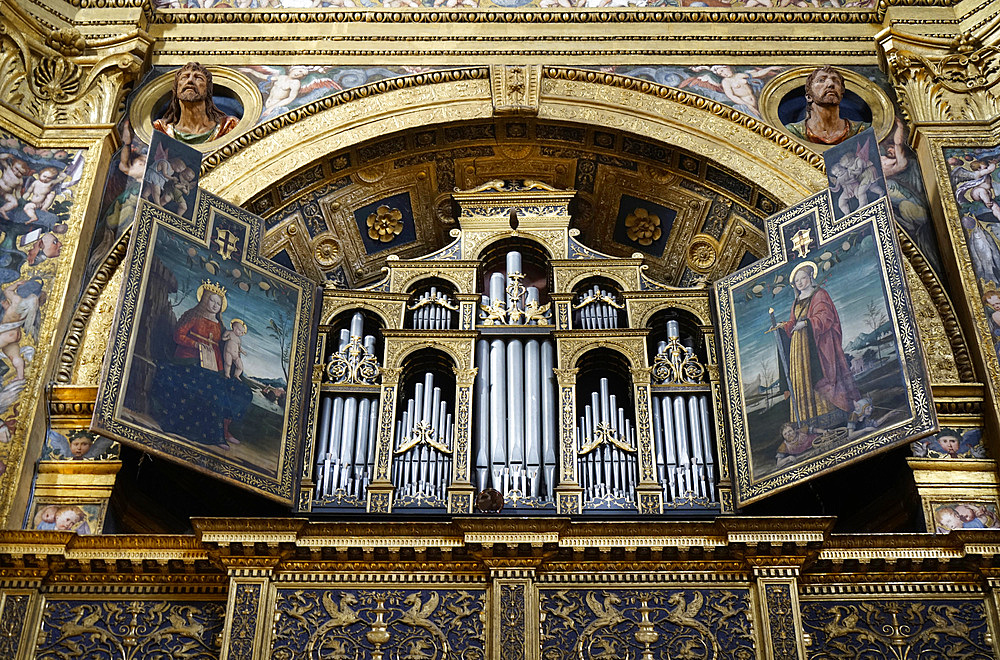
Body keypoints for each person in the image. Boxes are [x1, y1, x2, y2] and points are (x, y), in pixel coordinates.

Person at [151, 281, 252, 449]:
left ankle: (225, 430)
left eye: (218, 303)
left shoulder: (220, 325)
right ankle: (215, 436)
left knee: (240, 391)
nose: (215, 305)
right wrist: (196, 345)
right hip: (189, 361)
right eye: (212, 301)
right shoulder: (193, 316)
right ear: (204, 300)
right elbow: (179, 336)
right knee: (213, 391)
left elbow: (223, 346)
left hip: (214, 366)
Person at [780, 261, 860, 428]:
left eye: (803, 278)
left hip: (818, 343)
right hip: (799, 347)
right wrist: (783, 326)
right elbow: (792, 322)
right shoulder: (796, 302)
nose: (800, 282)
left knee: (823, 376)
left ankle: (833, 416)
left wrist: (808, 323)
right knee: (803, 378)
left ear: (810, 277)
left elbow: (826, 316)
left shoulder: (819, 295)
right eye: (797, 281)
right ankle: (810, 422)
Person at [153, 63, 239, 145]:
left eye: (198, 78)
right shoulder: (160, 130)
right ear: (176, 89)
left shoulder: (228, 127)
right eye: (184, 77)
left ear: (207, 90)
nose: (190, 80)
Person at [785, 66, 870, 146]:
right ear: (809, 97)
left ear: (841, 95)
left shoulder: (862, 131)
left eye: (836, 81)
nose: (831, 84)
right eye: (821, 80)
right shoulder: (792, 133)